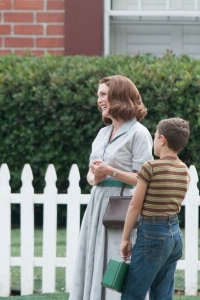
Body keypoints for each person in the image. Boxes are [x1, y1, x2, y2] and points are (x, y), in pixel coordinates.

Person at [69, 75, 153, 300]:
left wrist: (111, 172)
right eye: (98, 95)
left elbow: (144, 178)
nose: (99, 100)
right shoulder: (102, 133)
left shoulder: (139, 133)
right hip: (98, 203)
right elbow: (91, 174)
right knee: (93, 256)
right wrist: (95, 176)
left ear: (119, 97)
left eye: (103, 94)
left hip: (123, 205)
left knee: (117, 258)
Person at [120, 117, 190, 300]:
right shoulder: (184, 170)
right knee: (163, 294)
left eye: (154, 137)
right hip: (174, 234)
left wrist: (125, 239)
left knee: (132, 293)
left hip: (152, 234)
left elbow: (135, 206)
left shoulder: (150, 167)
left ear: (162, 140)